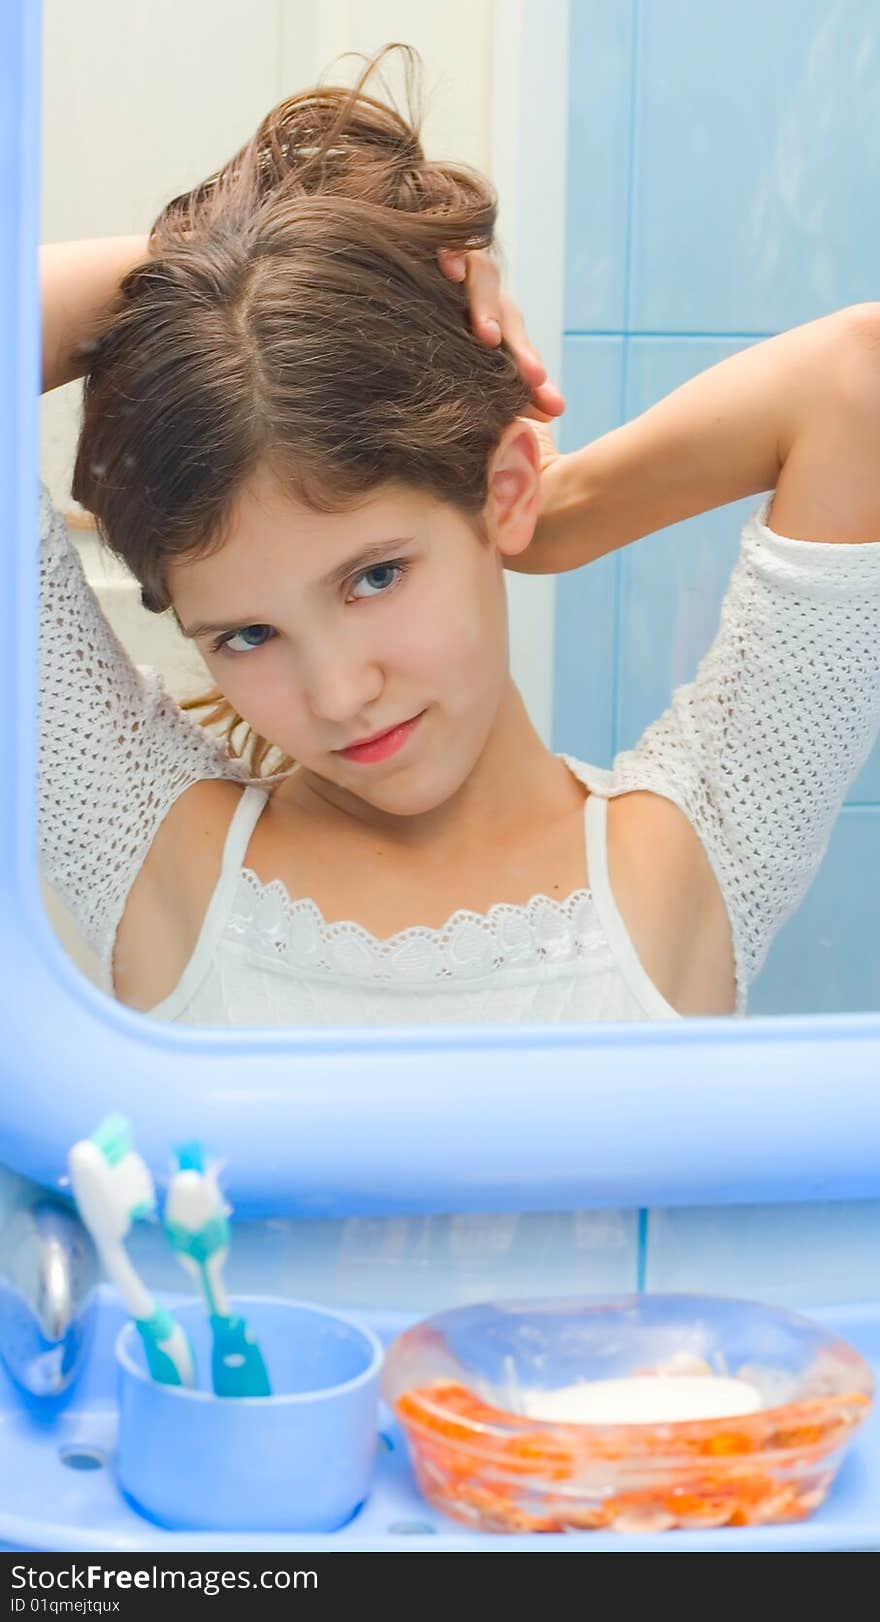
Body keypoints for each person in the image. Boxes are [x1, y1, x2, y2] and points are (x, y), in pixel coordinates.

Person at [38, 48, 880, 1029]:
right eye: (247, 636)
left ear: (503, 489)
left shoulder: (690, 859)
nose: (339, 692)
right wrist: (221, 281)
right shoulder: (150, 850)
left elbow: (855, 385)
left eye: (375, 575)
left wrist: (553, 518)